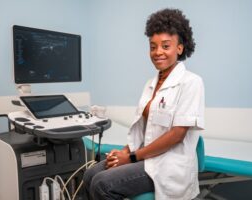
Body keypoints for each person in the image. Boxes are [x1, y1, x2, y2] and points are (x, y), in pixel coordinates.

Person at [83, 8, 205, 200]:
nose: (158, 52)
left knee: (102, 184)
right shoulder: (151, 84)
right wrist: (124, 151)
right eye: (153, 46)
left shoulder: (191, 82)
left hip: (168, 165)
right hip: (146, 157)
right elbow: (142, 129)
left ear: (180, 48)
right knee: (90, 174)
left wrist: (131, 158)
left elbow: (177, 135)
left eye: (166, 46)